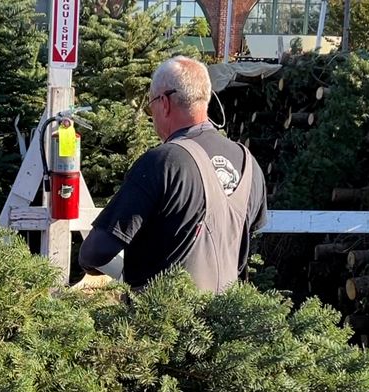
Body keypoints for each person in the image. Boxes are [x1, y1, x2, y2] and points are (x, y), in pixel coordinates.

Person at [79, 56, 267, 292]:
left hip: (162, 322)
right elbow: (244, 245)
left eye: (151, 105)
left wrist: (119, 272)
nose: (152, 115)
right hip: (228, 322)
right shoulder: (249, 164)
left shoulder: (163, 162)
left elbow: (95, 252)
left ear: (165, 103)